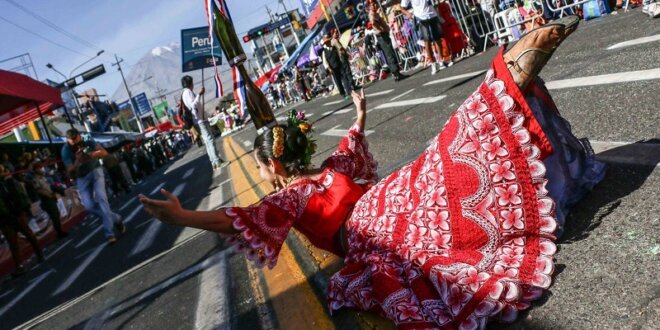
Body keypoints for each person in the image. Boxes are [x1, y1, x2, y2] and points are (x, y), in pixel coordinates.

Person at [141, 17, 605, 328]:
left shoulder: (292, 197)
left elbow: (235, 218)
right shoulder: (331, 169)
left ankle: (509, 76)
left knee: (449, 222)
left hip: (370, 231)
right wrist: (359, 114)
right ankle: (504, 79)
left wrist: (183, 218)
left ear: (273, 165)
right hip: (389, 194)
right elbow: (351, 144)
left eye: (262, 167)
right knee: (446, 159)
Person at [61, 128, 125, 244]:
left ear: (79, 135)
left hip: (95, 170)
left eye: (76, 139)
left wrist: (90, 155)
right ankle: (116, 218)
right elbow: (70, 171)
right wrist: (77, 161)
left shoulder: (87, 139)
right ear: (67, 140)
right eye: (71, 140)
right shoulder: (65, 150)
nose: (74, 142)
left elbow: (104, 152)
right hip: (81, 177)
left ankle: (109, 233)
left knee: (102, 198)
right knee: (89, 206)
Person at [0, 164, 45, 276]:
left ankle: (36, 256)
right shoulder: (10, 182)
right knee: (16, 241)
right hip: (9, 217)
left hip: (13, 216)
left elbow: (19, 197)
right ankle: (24, 263)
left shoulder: (9, 182)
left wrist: (20, 210)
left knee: (23, 237)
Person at [181, 75, 226, 170]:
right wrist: (199, 94)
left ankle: (214, 161)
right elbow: (193, 105)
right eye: (192, 82)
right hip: (199, 120)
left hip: (199, 119)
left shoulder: (185, 93)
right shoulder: (187, 92)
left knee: (208, 141)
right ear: (189, 83)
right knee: (210, 140)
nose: (193, 84)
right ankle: (217, 162)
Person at [401, 0, 453, 75]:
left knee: (437, 38)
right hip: (421, 18)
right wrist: (408, 13)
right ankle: (433, 64)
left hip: (432, 15)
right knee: (427, 40)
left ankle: (441, 61)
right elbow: (402, 8)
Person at [368, 0, 408, 82]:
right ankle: (396, 73)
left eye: (375, 3)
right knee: (389, 53)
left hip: (383, 35)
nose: (375, 5)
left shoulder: (374, 13)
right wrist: (381, 29)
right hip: (382, 36)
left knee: (390, 52)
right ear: (369, 6)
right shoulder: (372, 13)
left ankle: (396, 73)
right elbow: (373, 23)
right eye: (372, 4)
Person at [32, 162, 68, 237]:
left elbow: (48, 186)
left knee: (56, 214)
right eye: (39, 168)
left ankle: (59, 231)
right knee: (54, 216)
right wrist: (49, 195)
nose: (41, 169)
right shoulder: (35, 179)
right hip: (46, 199)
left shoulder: (43, 177)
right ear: (36, 169)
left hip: (50, 197)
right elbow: (39, 190)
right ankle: (59, 232)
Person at [321, 34, 354, 98]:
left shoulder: (334, 47)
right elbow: (325, 62)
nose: (328, 42)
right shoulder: (324, 52)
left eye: (329, 41)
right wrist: (329, 68)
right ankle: (343, 94)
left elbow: (339, 54)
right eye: (327, 42)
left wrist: (343, 58)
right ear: (325, 43)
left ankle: (348, 91)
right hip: (332, 68)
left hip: (339, 64)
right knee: (338, 81)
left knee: (344, 77)